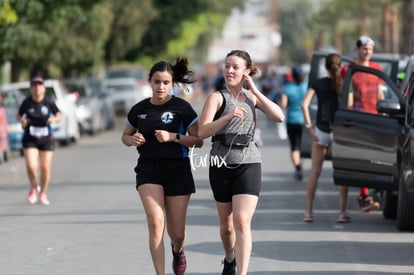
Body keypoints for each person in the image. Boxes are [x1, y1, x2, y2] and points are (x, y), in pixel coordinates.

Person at [198, 50, 284, 275]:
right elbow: (202, 131)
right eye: (227, 66)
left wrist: (255, 90)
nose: (230, 71)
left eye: (235, 67)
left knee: (242, 221)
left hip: (249, 161)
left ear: (246, 71)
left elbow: (279, 116)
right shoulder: (217, 98)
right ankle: (229, 258)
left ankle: (242, 273)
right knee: (227, 228)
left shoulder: (252, 97)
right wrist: (226, 117)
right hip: (220, 162)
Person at [121, 57, 203, 275]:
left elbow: (198, 140)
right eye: (157, 82)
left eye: (166, 82)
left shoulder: (182, 108)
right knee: (156, 223)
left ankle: (178, 250)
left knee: (177, 233)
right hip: (148, 169)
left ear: (172, 84)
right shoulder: (139, 109)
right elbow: (124, 136)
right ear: (150, 82)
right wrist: (132, 140)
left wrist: (173, 137)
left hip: (178, 169)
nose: (161, 87)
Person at [301, 53, 351, 223]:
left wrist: (309, 128)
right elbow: (350, 107)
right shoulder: (345, 85)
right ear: (340, 66)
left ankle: (308, 212)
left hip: (320, 130)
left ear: (326, 66)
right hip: (339, 131)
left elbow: (304, 105)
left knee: (315, 172)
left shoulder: (318, 83)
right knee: (341, 172)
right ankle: (342, 213)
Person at [341, 35, 382, 212]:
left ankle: (368, 194)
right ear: (357, 50)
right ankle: (365, 196)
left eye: (370, 49)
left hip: (377, 118)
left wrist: (385, 110)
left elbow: (380, 92)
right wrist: (349, 116)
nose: (367, 52)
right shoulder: (348, 69)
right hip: (358, 118)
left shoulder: (376, 68)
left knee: (377, 159)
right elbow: (347, 94)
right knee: (362, 158)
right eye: (364, 48)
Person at [16, 76, 61, 206]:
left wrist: (54, 120)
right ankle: (33, 187)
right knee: (31, 166)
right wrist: (22, 120)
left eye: (39, 85)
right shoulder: (27, 102)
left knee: (45, 167)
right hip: (30, 138)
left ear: (43, 88)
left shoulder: (48, 102)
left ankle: (43, 193)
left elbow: (59, 115)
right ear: (31, 88)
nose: (37, 88)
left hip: (46, 139)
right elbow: (18, 115)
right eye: (34, 86)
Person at [280, 66, 307, 181]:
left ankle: (298, 167)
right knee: (302, 146)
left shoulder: (287, 88)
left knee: (294, 146)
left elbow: (284, 105)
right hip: (305, 120)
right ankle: (300, 165)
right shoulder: (307, 87)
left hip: (291, 120)